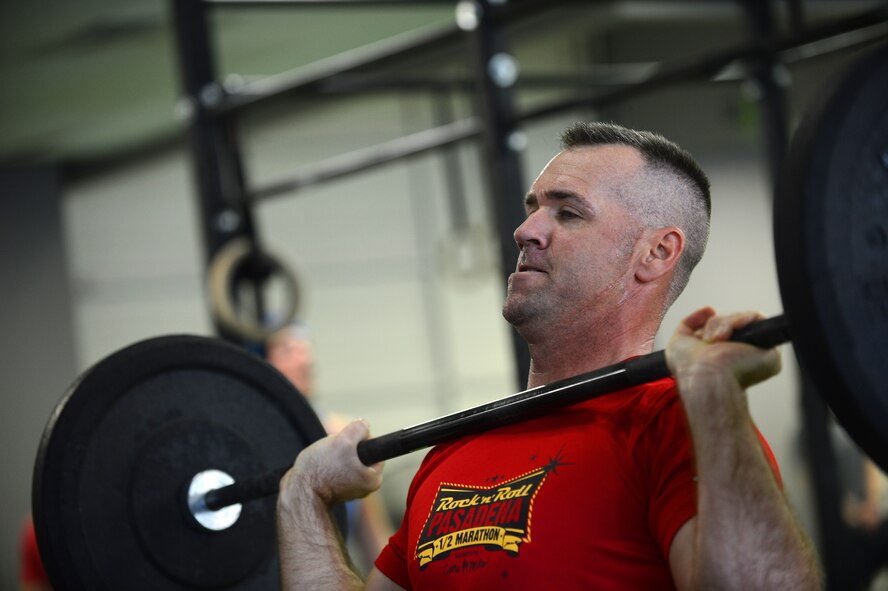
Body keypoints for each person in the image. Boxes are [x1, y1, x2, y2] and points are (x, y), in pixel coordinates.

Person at [276, 122, 823, 590]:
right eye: (534, 208)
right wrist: (303, 495)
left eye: (568, 214)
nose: (525, 230)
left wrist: (713, 399)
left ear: (656, 253)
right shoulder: (454, 450)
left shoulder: (675, 425)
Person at [265, 322, 393, 571]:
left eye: (305, 348)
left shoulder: (342, 435)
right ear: (264, 362)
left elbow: (373, 536)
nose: (304, 359)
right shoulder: (254, 437)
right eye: (287, 350)